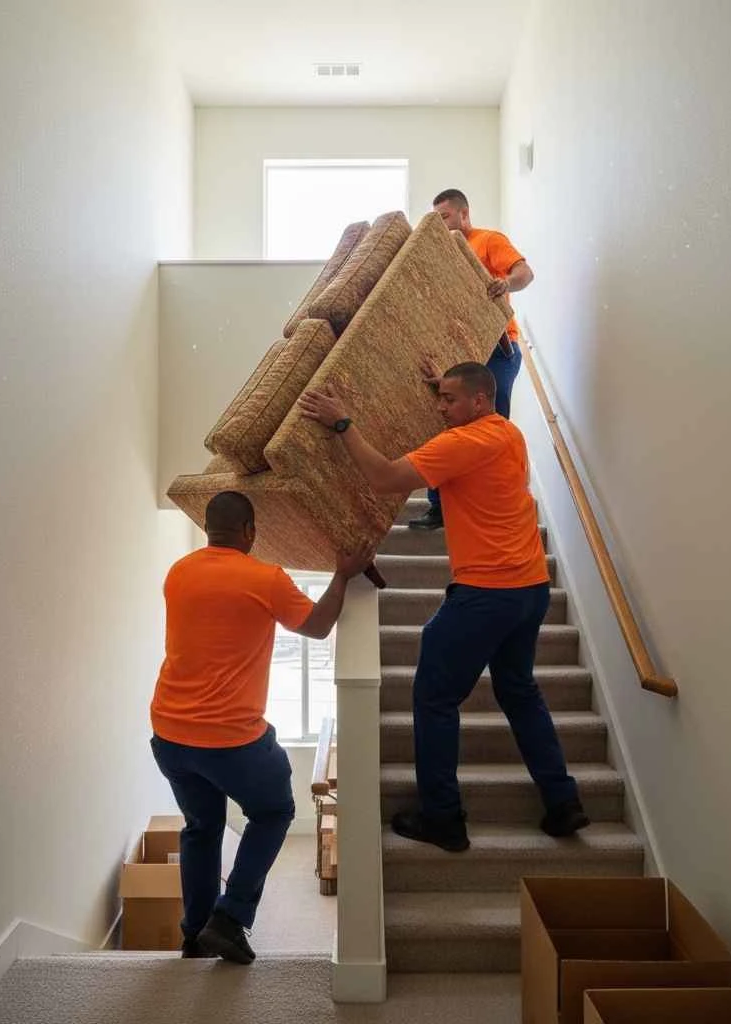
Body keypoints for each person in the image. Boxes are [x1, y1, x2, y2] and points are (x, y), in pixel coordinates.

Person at [299, 363, 588, 854]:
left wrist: (342, 422)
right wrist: (449, 387)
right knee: (519, 691)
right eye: (440, 397)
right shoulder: (507, 433)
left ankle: (442, 817)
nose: (440, 407)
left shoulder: (462, 443)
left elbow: (385, 478)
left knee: (434, 698)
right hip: (531, 588)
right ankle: (563, 801)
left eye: (450, 399)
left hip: (486, 593)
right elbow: (466, 409)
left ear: (479, 401)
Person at [149, 491, 374, 962]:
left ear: (208, 528)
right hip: (231, 739)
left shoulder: (178, 572)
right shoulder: (265, 578)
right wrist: (341, 575)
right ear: (250, 531)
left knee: (202, 827)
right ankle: (229, 918)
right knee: (274, 811)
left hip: (170, 734)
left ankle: (195, 934)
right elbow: (317, 625)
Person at [410, 188, 536, 531]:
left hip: (498, 348)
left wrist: (505, 283)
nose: (441, 224)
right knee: (446, 419)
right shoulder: (441, 255)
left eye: (446, 216)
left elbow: (525, 273)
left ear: (464, 214)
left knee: (491, 423)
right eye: (436, 219)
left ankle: (497, 501)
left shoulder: (488, 240)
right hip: (460, 351)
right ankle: (439, 507)